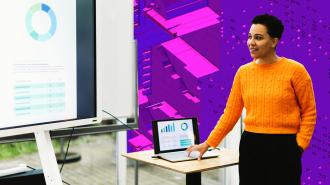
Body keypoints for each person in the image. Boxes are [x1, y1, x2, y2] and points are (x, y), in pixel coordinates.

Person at [186, 14, 317, 185]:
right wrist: (208, 143)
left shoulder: (295, 70)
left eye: (258, 38)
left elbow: (309, 111)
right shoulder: (243, 73)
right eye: (249, 37)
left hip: (284, 147)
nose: (251, 42)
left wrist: (299, 145)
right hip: (251, 145)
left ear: (274, 41)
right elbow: (230, 114)